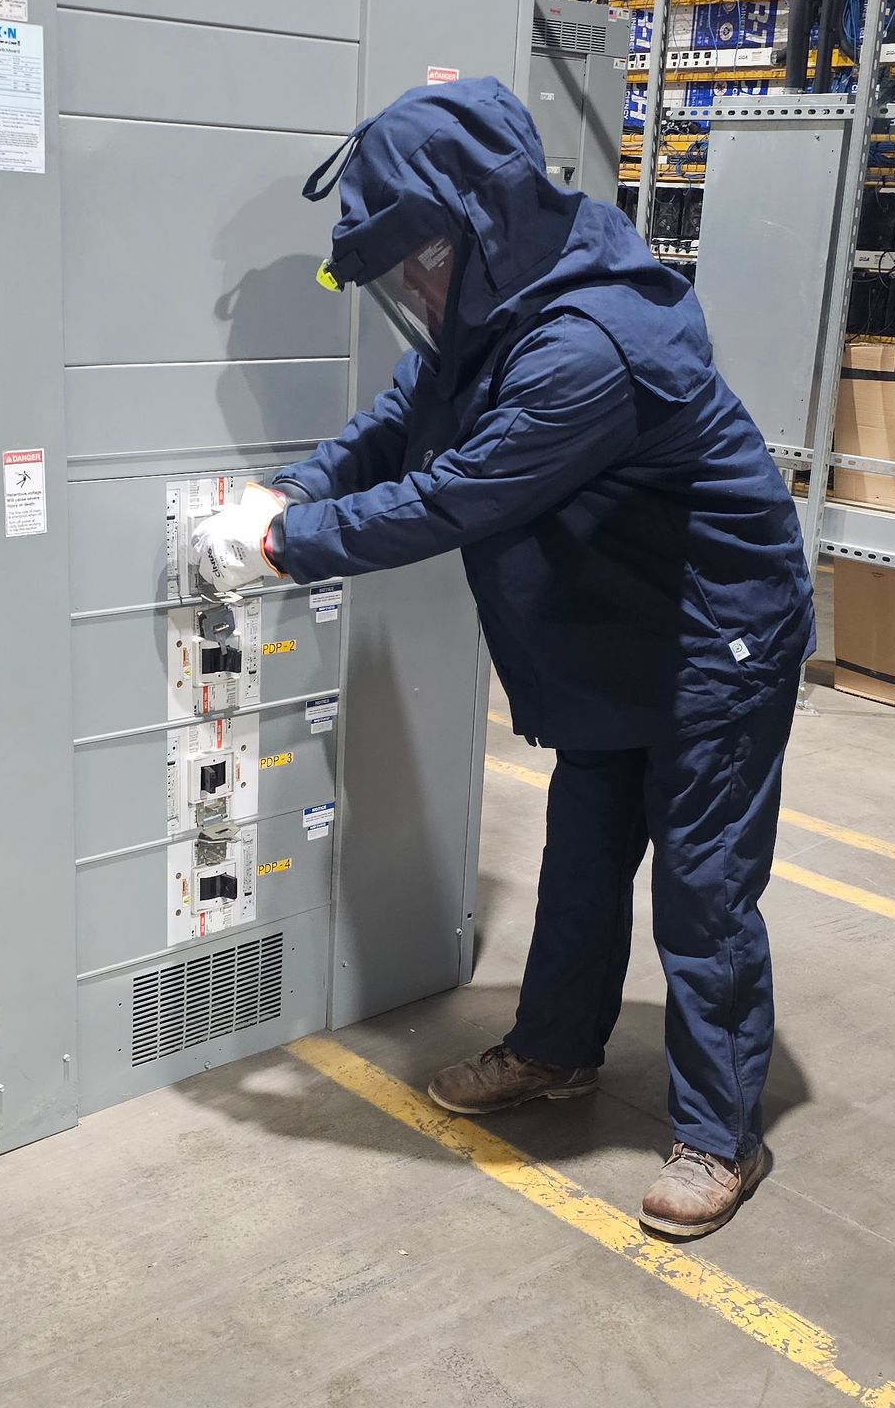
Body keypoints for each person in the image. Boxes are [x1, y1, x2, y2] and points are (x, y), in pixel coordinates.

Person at [191, 78, 814, 1239]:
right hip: (623, 629)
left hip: (713, 637)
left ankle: (719, 1131)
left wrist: (284, 544)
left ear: (480, 223)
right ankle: (555, 1052)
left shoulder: (589, 342)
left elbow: (455, 497)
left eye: (420, 261)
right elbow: (400, 420)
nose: (414, 292)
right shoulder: (502, 291)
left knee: (702, 887)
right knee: (583, 858)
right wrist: (295, 489)